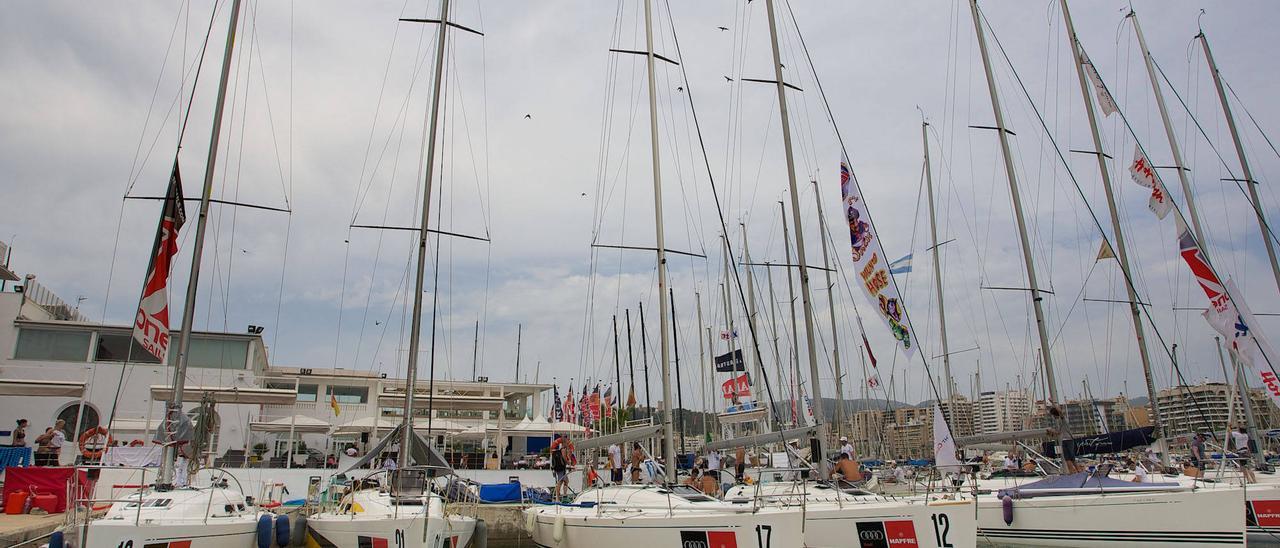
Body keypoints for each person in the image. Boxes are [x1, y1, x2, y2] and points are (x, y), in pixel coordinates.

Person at [551, 434, 570, 498]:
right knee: (560, 481)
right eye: (567, 440)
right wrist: (568, 462)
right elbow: (564, 458)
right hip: (561, 468)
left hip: (559, 468)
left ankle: (564, 494)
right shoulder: (563, 449)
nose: (568, 442)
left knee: (566, 480)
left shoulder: (562, 448)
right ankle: (558, 495)